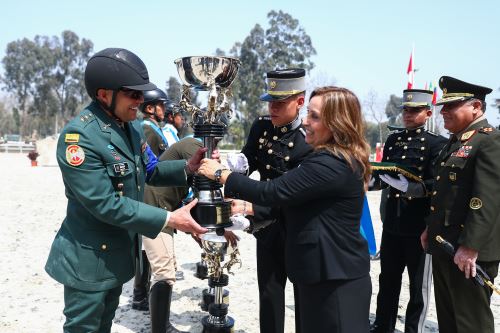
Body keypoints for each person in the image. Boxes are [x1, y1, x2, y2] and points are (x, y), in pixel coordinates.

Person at [44, 48, 208, 333]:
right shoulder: (79, 138)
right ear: (104, 94)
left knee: (104, 326)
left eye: (141, 94)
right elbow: (105, 204)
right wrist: (169, 219)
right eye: (133, 94)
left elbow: (150, 171)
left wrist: (188, 168)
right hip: (88, 262)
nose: (140, 101)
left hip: (117, 257)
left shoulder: (129, 128)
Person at [199, 86, 372, 332]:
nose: (305, 121)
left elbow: (273, 191)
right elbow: (295, 202)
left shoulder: (331, 163)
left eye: (314, 116)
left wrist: (220, 173)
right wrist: (250, 210)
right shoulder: (328, 158)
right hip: (322, 273)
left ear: (337, 123)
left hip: (335, 280)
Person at [231, 68, 312, 333]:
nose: (272, 107)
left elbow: (297, 193)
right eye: (270, 101)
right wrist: (239, 166)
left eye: (280, 102)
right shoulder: (261, 127)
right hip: (266, 227)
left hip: (297, 228)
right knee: (269, 295)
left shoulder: (309, 140)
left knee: (304, 301)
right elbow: (250, 159)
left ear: (300, 102)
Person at [421, 76, 500, 333]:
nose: (442, 111)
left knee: (471, 324)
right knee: (449, 321)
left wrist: (470, 246)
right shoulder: (456, 142)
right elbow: (445, 195)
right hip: (447, 245)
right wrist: (429, 229)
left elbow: (486, 201)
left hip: (469, 252)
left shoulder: (488, 141)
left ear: (476, 107)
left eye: (451, 105)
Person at [369, 90, 448, 333]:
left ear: (427, 113)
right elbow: (385, 175)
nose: (408, 114)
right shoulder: (393, 140)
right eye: (405, 109)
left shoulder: (437, 144)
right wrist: (370, 181)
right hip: (393, 222)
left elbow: (439, 185)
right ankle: (383, 325)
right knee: (388, 280)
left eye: (414, 110)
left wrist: (411, 188)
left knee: (417, 286)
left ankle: (413, 329)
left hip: (419, 226)